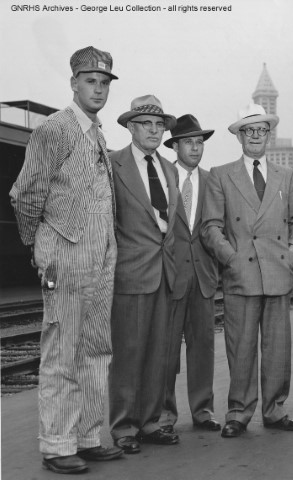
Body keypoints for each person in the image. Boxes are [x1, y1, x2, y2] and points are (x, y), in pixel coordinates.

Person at [9, 46, 123, 474]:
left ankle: (88, 436)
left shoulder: (95, 132)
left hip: (101, 255)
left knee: (96, 348)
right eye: (90, 81)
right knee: (62, 351)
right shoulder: (54, 129)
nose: (98, 89)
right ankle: (58, 445)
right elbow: (26, 194)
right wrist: (40, 245)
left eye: (104, 82)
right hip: (67, 253)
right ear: (73, 82)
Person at [201, 103, 293, 438]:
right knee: (241, 347)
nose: (256, 136)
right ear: (240, 136)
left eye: (261, 130)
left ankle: (275, 410)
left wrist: (292, 252)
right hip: (241, 274)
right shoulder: (221, 174)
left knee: (277, 349)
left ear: (268, 134)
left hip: (278, 271)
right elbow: (211, 227)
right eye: (249, 130)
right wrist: (231, 258)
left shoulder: (286, 176)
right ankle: (239, 413)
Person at [108, 95, 180, 453]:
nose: (154, 130)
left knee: (158, 354)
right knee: (128, 353)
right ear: (131, 128)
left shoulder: (169, 168)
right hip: (130, 274)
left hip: (164, 274)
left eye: (159, 124)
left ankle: (151, 422)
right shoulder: (113, 165)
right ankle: (123, 427)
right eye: (146, 124)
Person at [159, 114, 220, 434]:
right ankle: (165, 414)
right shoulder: (162, 176)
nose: (195, 149)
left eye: (200, 143)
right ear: (175, 145)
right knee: (166, 349)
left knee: (202, 347)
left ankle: (203, 410)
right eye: (189, 142)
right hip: (169, 276)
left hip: (204, 276)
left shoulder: (213, 181)